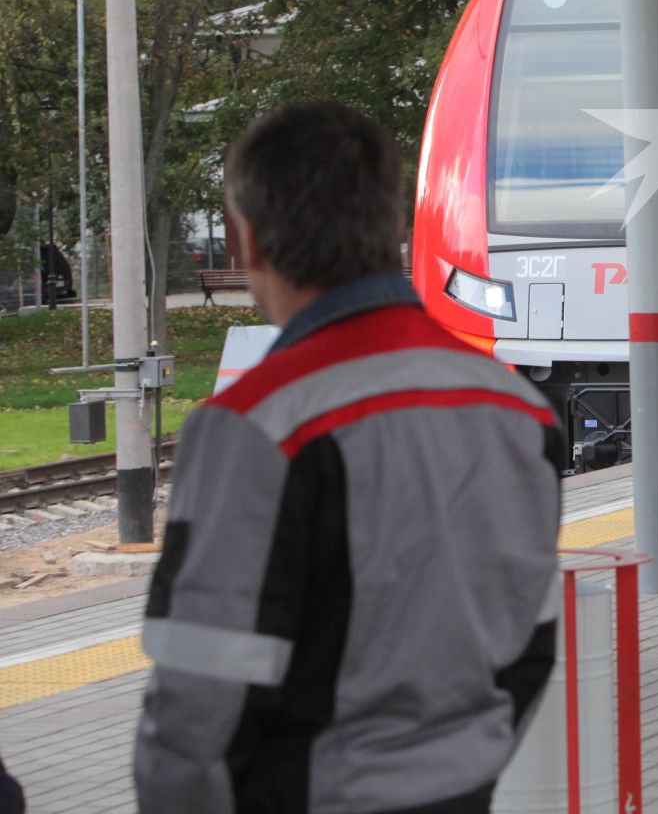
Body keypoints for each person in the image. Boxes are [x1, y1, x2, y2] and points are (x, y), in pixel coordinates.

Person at [135, 102, 564, 814]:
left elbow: (200, 689)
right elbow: (533, 634)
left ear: (246, 243)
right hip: (465, 787)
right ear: (389, 227)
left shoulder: (256, 426)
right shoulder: (515, 409)